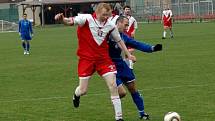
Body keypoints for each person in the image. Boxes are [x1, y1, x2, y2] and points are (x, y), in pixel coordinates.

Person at [55, 3, 136, 121]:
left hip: (103, 60)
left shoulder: (110, 25)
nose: (106, 17)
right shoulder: (86, 19)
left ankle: (119, 118)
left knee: (113, 85)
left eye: (108, 15)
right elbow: (69, 21)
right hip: (86, 60)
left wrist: (128, 54)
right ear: (97, 12)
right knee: (83, 90)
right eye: (103, 15)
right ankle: (76, 95)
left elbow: (119, 40)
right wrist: (62, 19)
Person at [108, 16, 162, 120]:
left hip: (120, 64)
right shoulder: (108, 34)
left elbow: (136, 44)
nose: (127, 27)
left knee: (133, 88)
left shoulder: (123, 37)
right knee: (122, 93)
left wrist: (152, 48)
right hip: (109, 65)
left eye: (128, 25)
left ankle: (142, 113)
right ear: (118, 23)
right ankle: (115, 101)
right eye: (125, 24)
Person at [123, 5, 138, 70]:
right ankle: (130, 63)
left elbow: (135, 27)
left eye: (128, 9)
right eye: (126, 9)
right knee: (126, 53)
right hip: (123, 37)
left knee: (130, 50)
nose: (127, 10)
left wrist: (133, 32)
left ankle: (130, 66)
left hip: (130, 37)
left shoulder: (133, 19)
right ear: (124, 10)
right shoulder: (121, 18)